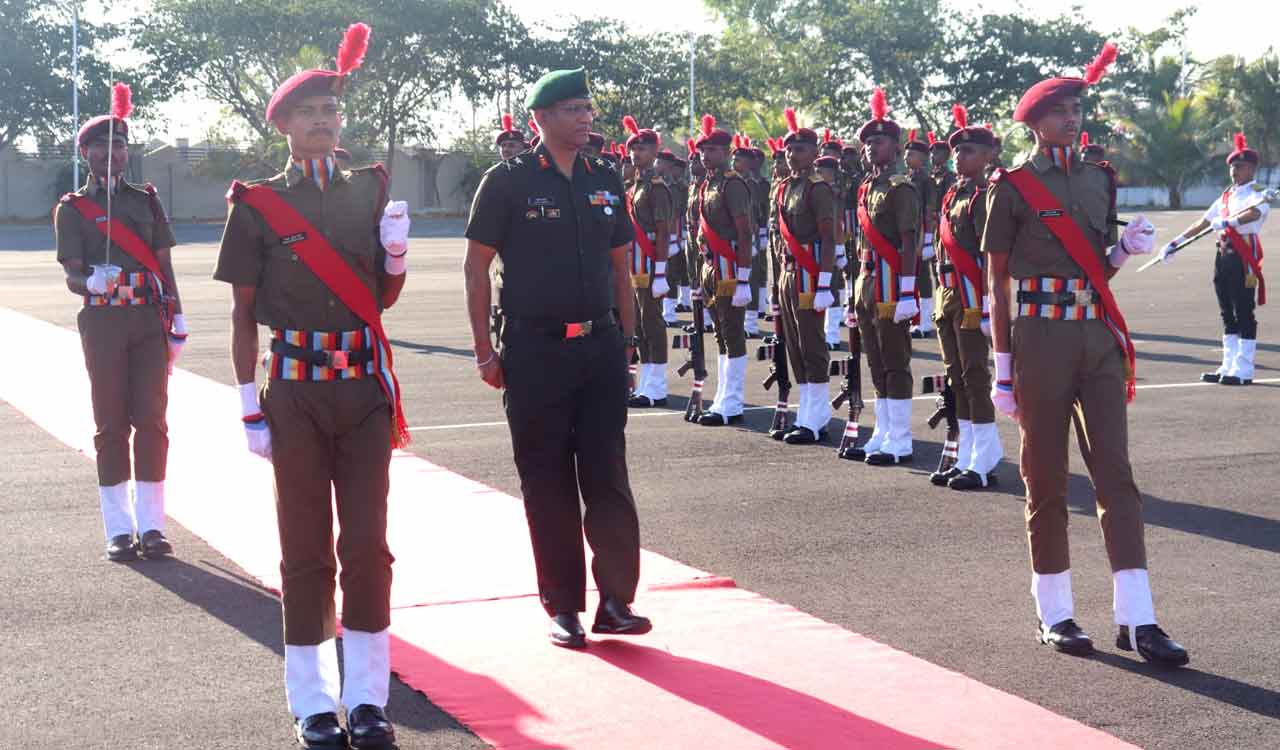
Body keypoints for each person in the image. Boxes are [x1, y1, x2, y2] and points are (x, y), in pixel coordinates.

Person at [213, 24, 407, 748]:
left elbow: (382, 300)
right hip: (292, 391)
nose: (323, 122)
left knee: (367, 548)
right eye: (308, 114)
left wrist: (395, 254)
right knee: (303, 549)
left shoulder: (372, 190)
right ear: (286, 128)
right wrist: (246, 408)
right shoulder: (257, 204)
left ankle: (368, 698)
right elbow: (241, 312)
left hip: (362, 392)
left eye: (331, 111)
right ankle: (313, 700)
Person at [984, 42, 1188, 666]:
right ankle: (1057, 612)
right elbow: (997, 282)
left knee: (1117, 478)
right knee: (1044, 480)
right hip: (1039, 341)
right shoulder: (1013, 185)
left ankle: (1140, 618)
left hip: (1096, 339)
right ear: (1034, 121)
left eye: (1077, 108)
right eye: (1061, 111)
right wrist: (1002, 367)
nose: (1073, 118)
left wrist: (1123, 250)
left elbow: (1098, 271)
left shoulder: (1100, 178)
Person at [462, 67, 651, 652]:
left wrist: (627, 342)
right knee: (546, 480)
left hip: (598, 347)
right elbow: (475, 268)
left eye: (588, 108)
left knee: (608, 476)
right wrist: (483, 351)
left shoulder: (605, 177)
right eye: (572, 109)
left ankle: (617, 601)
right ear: (540, 119)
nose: (585, 118)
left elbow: (622, 267)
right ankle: (564, 607)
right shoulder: (507, 181)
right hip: (534, 349)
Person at [55, 83, 184, 563]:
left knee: (152, 420)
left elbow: (164, 265)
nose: (112, 154)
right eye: (101, 146)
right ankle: (119, 528)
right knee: (111, 424)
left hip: (148, 320)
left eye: (120, 145)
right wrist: (90, 281)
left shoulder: (146, 201)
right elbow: (70, 275)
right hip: (104, 322)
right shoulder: (71, 210)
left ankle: (152, 526)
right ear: (85, 152)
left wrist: (178, 314)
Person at [1158, 132, 1268, 386]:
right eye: (1232, 167)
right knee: (1226, 312)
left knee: (1244, 311)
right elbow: (1204, 222)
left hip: (1243, 257)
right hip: (1223, 255)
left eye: (1239, 166)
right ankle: (1228, 365)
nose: (1234, 171)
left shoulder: (1259, 191)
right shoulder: (1228, 195)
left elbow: (1254, 213)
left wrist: (1231, 221)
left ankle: (1244, 369)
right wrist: (1175, 242)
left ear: (1251, 168)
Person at [931, 105, 1002, 490]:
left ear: (988, 156)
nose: (960, 156)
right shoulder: (951, 194)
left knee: (975, 375)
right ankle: (968, 455)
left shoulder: (983, 196)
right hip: (949, 297)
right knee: (955, 377)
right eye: (958, 151)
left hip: (973, 296)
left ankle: (985, 458)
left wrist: (990, 303)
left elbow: (990, 255)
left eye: (970, 151)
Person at [853, 88, 920, 466]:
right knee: (875, 361)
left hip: (894, 282)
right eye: (866, 144)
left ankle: (901, 438)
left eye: (878, 142)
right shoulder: (867, 188)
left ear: (895, 147)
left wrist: (909, 291)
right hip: (867, 283)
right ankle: (882, 430)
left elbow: (910, 241)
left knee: (896, 361)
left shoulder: (901, 188)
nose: (870, 149)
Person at [772, 107, 838, 444]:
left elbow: (828, 237)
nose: (792, 154)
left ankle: (816, 417)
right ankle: (807, 412)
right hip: (788, 274)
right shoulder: (784, 188)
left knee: (812, 344)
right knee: (795, 346)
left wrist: (825, 282)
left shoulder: (818, 189)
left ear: (815, 154)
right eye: (788, 148)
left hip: (811, 274)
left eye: (799, 149)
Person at [691, 114, 755, 426]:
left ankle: (732, 402)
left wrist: (744, 278)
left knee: (732, 333)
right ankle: (721, 397)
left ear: (726, 152)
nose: (706, 155)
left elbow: (744, 232)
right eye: (703, 151)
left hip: (730, 268)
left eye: (713, 150)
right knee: (719, 335)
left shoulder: (733, 185)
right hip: (710, 268)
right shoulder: (707, 184)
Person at [622, 115, 676, 407]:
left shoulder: (657, 188)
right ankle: (645, 384)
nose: (636, 153)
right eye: (633, 148)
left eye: (643, 149)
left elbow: (664, 231)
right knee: (640, 326)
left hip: (650, 267)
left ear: (655, 152)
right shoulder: (634, 188)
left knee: (653, 325)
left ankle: (656, 387)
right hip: (633, 268)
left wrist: (661, 273)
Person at [905, 130, 938, 339]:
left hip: (921, 232)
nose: (907, 158)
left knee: (924, 277)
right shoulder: (906, 178)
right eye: (906, 154)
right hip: (909, 231)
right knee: (912, 275)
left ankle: (925, 322)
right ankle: (914, 318)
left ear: (922, 158)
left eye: (911, 154)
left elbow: (930, 209)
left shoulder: (927, 180)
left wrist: (928, 240)